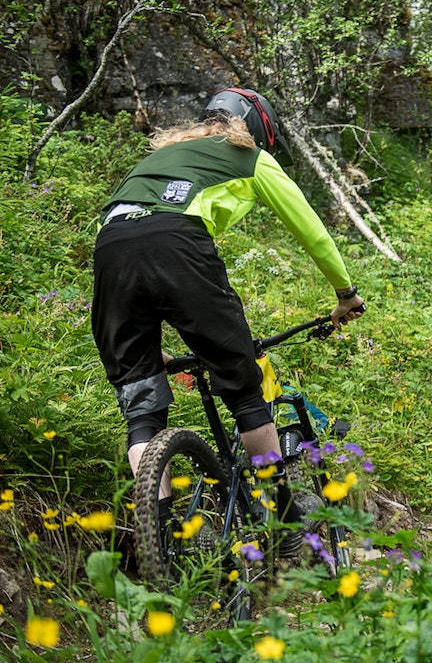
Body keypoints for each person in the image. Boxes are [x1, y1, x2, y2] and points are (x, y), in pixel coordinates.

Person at [92, 88, 365, 547]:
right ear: (255, 129)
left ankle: (157, 542)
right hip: (178, 247)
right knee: (245, 392)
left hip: (112, 256)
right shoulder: (249, 156)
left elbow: (120, 238)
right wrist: (345, 294)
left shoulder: (158, 160)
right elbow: (312, 231)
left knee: (142, 411)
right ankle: (284, 526)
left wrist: (137, 330)